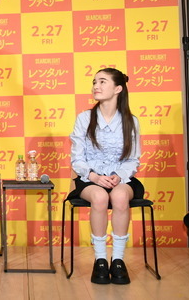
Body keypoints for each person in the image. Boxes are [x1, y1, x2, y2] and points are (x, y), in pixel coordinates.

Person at [69, 67, 143, 285]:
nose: (96, 86)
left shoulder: (131, 121)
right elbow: (77, 159)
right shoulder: (84, 118)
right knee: (100, 197)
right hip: (90, 178)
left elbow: (133, 159)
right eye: (94, 82)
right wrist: (94, 176)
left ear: (118, 89)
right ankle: (100, 259)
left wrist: (118, 176)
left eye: (102, 82)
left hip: (121, 178)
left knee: (119, 197)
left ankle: (118, 260)